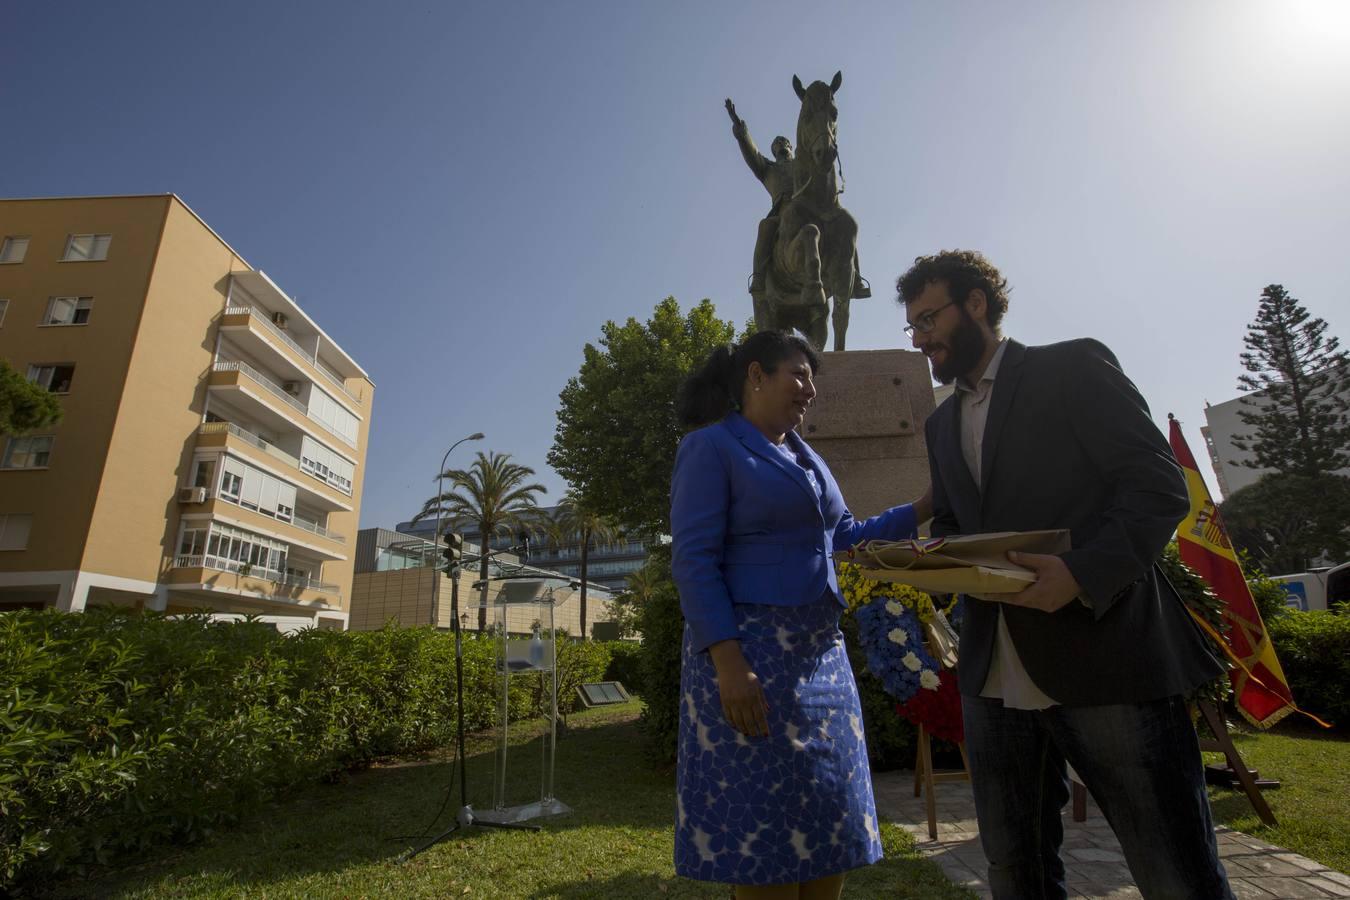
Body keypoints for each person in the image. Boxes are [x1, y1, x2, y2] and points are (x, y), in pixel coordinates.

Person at [896, 250, 1233, 899]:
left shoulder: (1073, 368)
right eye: (911, 326)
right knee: (1014, 875)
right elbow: (969, 527)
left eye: (929, 318)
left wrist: (1079, 573)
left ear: (976, 304)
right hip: (993, 675)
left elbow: (1159, 489)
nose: (920, 338)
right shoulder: (939, 426)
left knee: (1175, 873)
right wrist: (928, 557)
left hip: (1106, 661)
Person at [670, 330, 930, 900]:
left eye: (812, 377)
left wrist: (929, 504)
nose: (810, 389)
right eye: (798, 374)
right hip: (753, 661)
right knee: (766, 842)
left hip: (822, 663)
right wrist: (728, 663)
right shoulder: (710, 447)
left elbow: (848, 538)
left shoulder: (809, 458)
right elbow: (693, 560)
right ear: (755, 375)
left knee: (827, 823)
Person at [725, 100, 870, 302]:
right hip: (784, 213)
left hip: (811, 207)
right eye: (776, 145)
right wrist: (741, 131)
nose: (781, 146)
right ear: (774, 152)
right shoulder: (768, 169)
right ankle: (758, 278)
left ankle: (856, 279)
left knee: (844, 224)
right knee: (765, 227)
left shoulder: (803, 165)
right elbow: (752, 153)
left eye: (784, 143)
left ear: (791, 147)